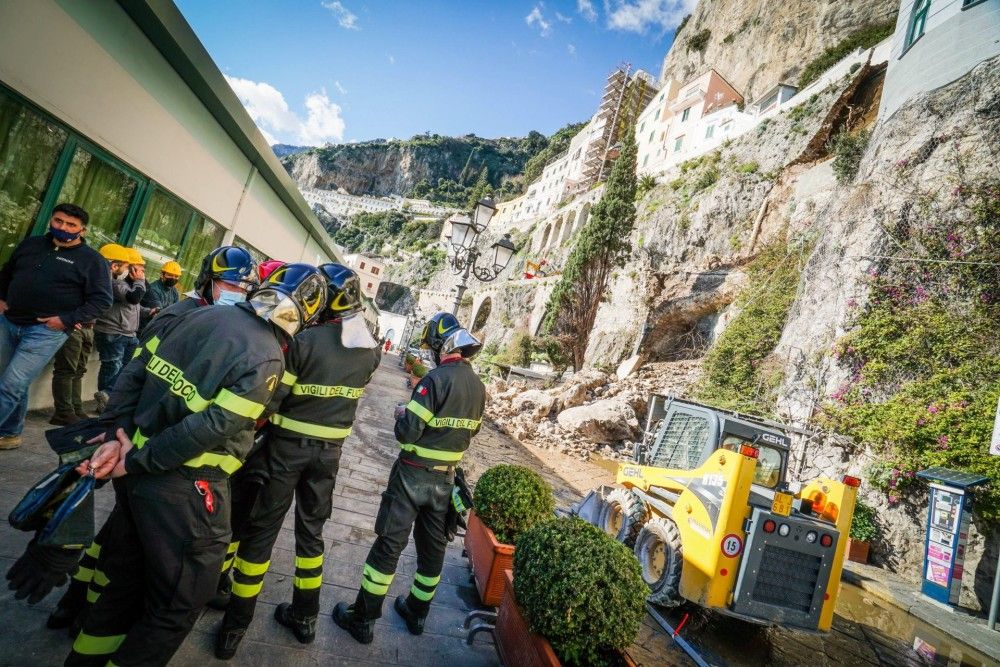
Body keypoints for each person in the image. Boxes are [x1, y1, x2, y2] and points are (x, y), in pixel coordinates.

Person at [63, 266, 327, 667]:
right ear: (305, 316)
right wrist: (135, 460)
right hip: (185, 490)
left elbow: (135, 370)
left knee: (125, 587)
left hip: (137, 482)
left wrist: (121, 435)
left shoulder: (199, 315)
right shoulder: (268, 357)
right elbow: (211, 428)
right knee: (180, 602)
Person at [45, 245, 259, 630]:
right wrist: (115, 432)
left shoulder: (216, 321)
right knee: (116, 543)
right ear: (208, 282)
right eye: (229, 284)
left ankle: (84, 606)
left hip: (153, 453)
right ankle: (81, 605)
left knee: (118, 537)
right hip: (137, 448)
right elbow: (135, 376)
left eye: (242, 287)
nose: (235, 293)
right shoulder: (181, 315)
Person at [215, 263, 381, 659]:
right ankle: (305, 618)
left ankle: (234, 626)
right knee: (312, 535)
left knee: (260, 532)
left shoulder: (304, 342)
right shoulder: (370, 351)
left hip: (284, 451)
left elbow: (272, 400)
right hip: (328, 458)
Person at [333, 312, 485, 644]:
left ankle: (363, 618)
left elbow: (407, 434)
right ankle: (417, 613)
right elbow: (469, 432)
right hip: (445, 483)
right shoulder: (478, 386)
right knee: (433, 550)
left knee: (389, 545)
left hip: (411, 477)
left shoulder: (434, 381)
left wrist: (403, 413)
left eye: (431, 345)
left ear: (441, 346)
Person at [0, 204, 112, 450]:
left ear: (82, 230)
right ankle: (9, 433)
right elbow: (7, 273)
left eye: (71, 225)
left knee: (10, 384)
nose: (63, 227)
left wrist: (66, 320)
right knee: (11, 382)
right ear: (51, 220)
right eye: (59, 221)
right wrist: (2, 297)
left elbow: (102, 300)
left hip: (45, 333)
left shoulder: (93, 261)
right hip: (8, 322)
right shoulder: (31, 244)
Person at [92, 246, 145, 413]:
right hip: (113, 332)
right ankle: (104, 401)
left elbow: (135, 304)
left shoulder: (130, 285)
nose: (140, 272)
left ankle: (108, 395)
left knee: (128, 367)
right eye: (135, 268)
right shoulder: (116, 284)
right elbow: (134, 298)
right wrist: (139, 281)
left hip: (129, 334)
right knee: (112, 367)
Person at [138, 260, 181, 332]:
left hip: (159, 329)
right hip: (145, 329)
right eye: (170, 275)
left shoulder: (174, 291)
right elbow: (159, 314)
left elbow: (177, 310)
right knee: (147, 343)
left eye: (176, 276)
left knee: (156, 343)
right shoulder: (153, 289)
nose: (173, 278)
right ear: (162, 275)